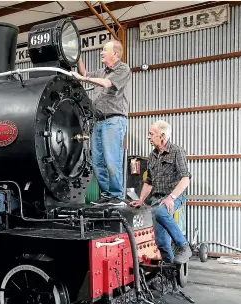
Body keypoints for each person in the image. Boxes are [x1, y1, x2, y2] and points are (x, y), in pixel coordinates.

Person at [72, 40, 131, 205]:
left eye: (105, 50)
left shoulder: (122, 69)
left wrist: (81, 77)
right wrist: (76, 55)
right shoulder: (101, 71)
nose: (101, 53)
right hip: (97, 122)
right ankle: (106, 195)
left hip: (113, 120)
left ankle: (117, 196)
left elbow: (106, 83)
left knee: (112, 160)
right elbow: (84, 72)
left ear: (115, 54)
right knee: (97, 161)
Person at [129, 121, 193, 264]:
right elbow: (149, 181)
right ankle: (171, 276)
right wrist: (141, 200)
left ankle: (184, 246)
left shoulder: (177, 151)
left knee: (160, 212)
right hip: (157, 199)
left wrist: (171, 197)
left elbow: (185, 179)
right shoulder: (152, 156)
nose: (148, 137)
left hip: (174, 196)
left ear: (162, 136)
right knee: (161, 242)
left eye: (151, 134)